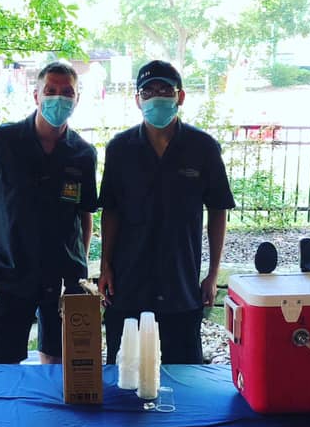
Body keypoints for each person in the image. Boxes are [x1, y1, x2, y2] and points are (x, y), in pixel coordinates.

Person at [98, 59, 235, 365]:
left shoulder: (203, 147)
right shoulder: (120, 149)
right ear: (137, 100)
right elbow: (111, 210)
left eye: (165, 90)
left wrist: (212, 274)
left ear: (180, 96)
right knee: (125, 371)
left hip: (180, 283)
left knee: (184, 372)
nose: (156, 97)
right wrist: (105, 266)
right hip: (128, 281)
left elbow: (218, 209)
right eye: (148, 91)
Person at [0, 60, 98, 364]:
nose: (59, 98)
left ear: (77, 98)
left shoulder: (83, 153)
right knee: (3, 369)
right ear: (36, 95)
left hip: (64, 278)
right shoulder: (2, 141)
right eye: (50, 90)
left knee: (59, 368)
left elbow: (85, 213)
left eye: (67, 92)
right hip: (10, 272)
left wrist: (79, 263)